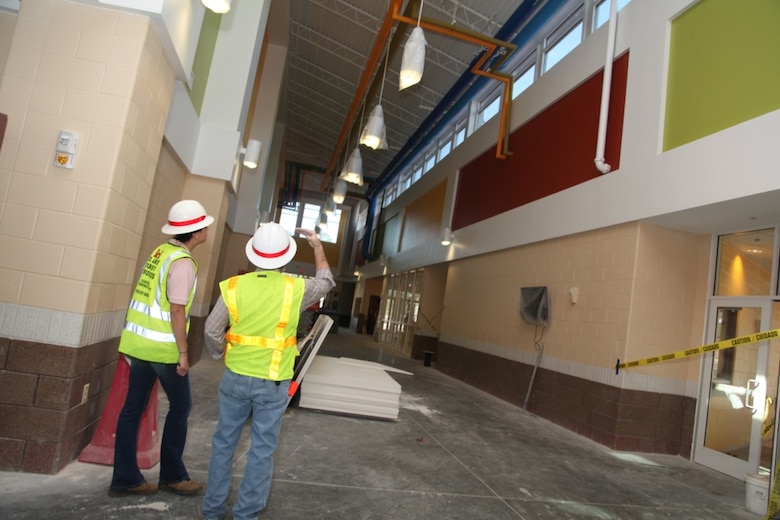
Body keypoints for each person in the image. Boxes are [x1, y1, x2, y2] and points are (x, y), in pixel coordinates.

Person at [201, 223, 335, 520]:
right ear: (285, 257)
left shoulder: (234, 287)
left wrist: (218, 352)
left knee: (224, 444)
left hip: (235, 378)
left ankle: (212, 511)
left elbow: (211, 329)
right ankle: (245, 515)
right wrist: (316, 246)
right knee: (261, 451)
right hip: (273, 382)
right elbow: (326, 281)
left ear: (254, 255)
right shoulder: (295, 288)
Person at [109, 200, 214, 497]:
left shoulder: (160, 253)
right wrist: (183, 353)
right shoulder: (182, 263)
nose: (207, 227)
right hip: (162, 349)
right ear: (196, 232)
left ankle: (125, 479)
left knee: (132, 409)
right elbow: (177, 310)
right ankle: (173, 475)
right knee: (181, 407)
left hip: (139, 345)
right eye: (204, 224)